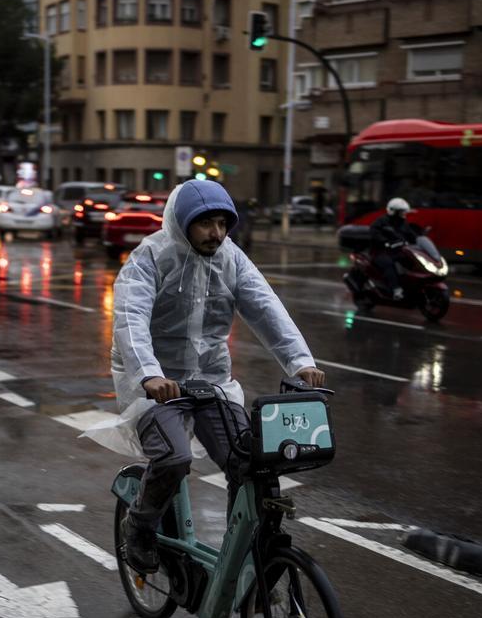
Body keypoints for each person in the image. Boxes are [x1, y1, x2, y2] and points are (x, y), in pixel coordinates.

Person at [110, 180, 325, 572]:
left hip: (212, 382)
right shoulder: (150, 258)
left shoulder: (232, 259)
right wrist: (149, 374)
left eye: (224, 223)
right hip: (155, 384)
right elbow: (130, 319)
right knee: (174, 457)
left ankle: (239, 552)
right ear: (181, 222)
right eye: (206, 223)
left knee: (247, 464)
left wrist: (300, 362)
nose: (217, 233)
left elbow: (266, 308)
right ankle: (139, 525)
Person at [369, 197, 418, 300]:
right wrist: (384, 241)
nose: (404, 214)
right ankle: (396, 289)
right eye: (401, 212)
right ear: (393, 212)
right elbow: (374, 231)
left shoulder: (403, 223)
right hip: (380, 252)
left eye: (404, 212)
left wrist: (418, 239)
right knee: (388, 264)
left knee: (411, 260)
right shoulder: (382, 221)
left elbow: (410, 234)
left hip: (396, 251)